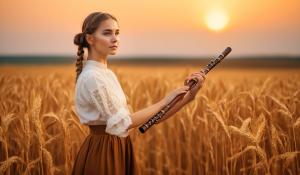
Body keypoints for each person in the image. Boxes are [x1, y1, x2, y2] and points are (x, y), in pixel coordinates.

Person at [71, 11, 206, 175]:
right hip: (103, 153)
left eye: (117, 33)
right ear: (90, 39)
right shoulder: (93, 77)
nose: (115, 39)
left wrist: (189, 96)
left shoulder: (106, 74)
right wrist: (165, 100)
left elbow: (147, 119)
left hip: (118, 147)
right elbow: (125, 123)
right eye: (107, 33)